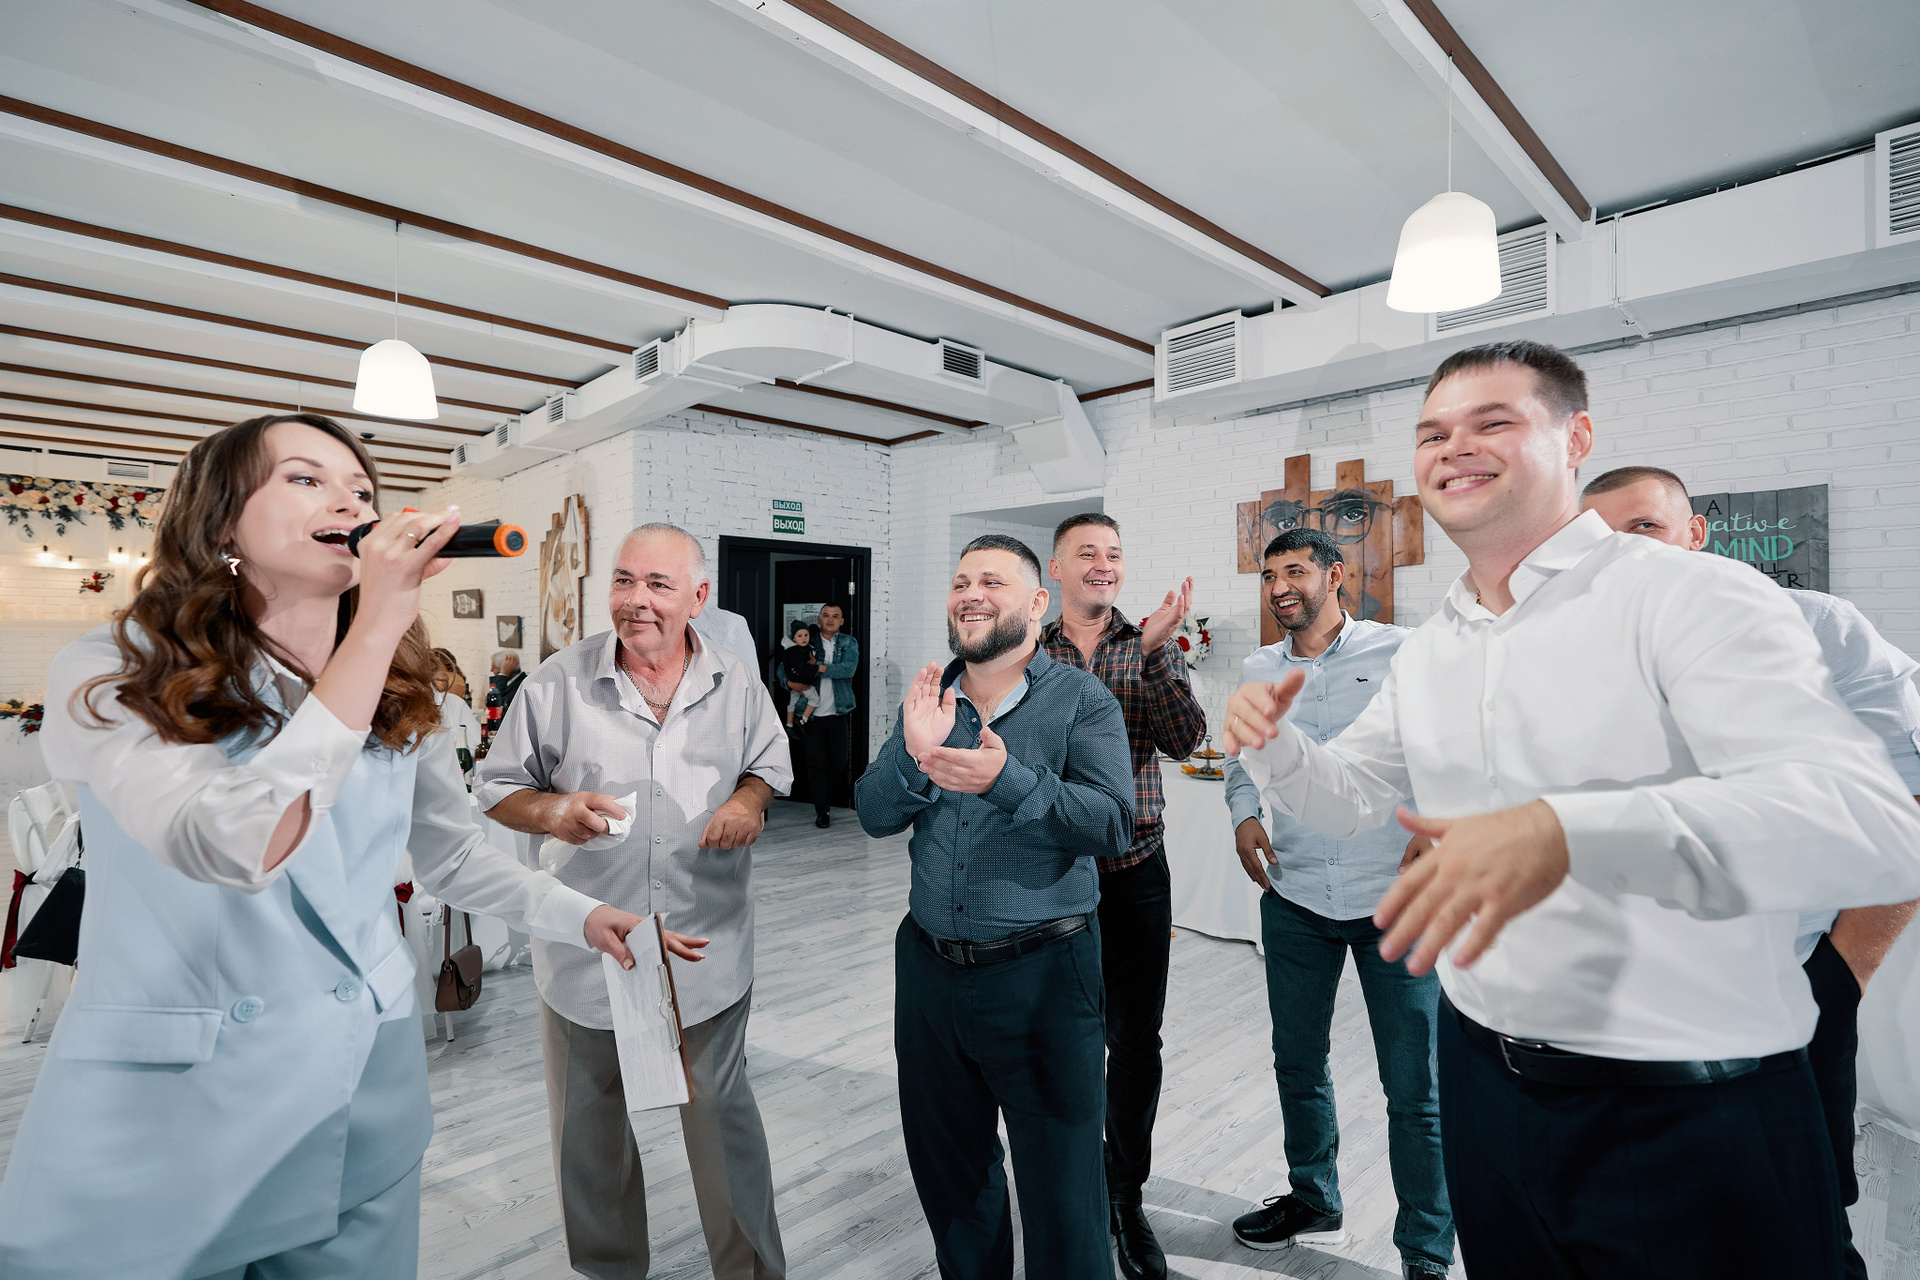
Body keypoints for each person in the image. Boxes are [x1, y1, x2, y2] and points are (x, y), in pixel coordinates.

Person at [1221, 340, 1920, 1280]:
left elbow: (1854, 817)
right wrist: (1274, 746)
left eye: (1492, 421)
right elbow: (1347, 800)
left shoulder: (1694, 595)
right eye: (1432, 433)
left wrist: (1563, 833)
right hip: (1487, 1079)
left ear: (1576, 438)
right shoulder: (1436, 648)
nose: (1454, 447)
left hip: (1687, 1098)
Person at [0, 413, 643, 1279]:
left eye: (362, 490)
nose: (350, 502)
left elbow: (452, 856)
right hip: (170, 1118)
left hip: (358, 1094)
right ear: (222, 523)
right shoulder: (119, 669)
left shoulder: (399, 688)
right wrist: (376, 626)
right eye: (306, 478)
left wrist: (583, 914)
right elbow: (233, 842)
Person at [1582, 463, 1920, 1280]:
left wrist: (1840, 978)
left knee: (1798, 1231)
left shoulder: (1817, 631)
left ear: (1695, 534)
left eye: (1643, 527)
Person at [477, 521, 792, 1280]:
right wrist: (552, 810)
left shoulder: (735, 683)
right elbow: (497, 788)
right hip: (587, 948)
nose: (636, 600)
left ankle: (750, 1273)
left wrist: (747, 802)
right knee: (589, 1133)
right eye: (624, 581)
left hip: (705, 943)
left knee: (721, 1124)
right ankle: (610, 1270)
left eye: (657, 584)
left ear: (698, 597)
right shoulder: (557, 682)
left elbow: (767, 768)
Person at [856, 534, 1134, 1280]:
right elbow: (873, 815)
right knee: (952, 1178)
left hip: (1044, 974)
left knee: (1063, 1195)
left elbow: (1113, 824)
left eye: (991, 582)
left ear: (1038, 603)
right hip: (929, 973)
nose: (970, 594)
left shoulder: (1082, 700)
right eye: (960, 582)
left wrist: (1005, 780)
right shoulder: (930, 697)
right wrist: (915, 754)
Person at [1220, 529, 1452, 1280]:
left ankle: (1425, 1250)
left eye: (1295, 571)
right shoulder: (1259, 668)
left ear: (1336, 575)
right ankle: (1314, 1198)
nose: (1280, 587)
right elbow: (1242, 756)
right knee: (1297, 1063)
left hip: (1393, 900)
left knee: (1415, 1091)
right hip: (1295, 897)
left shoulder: (1402, 651)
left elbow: (1450, 749)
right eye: (1269, 575)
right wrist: (1243, 813)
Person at [1038, 512, 1205, 1280]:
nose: (1103, 565)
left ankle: (1124, 1196)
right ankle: (1069, 1183)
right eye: (1087, 553)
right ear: (1056, 569)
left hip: (1134, 873)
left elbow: (1186, 739)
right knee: (1054, 1039)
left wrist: (1157, 654)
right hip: (1049, 877)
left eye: (1113, 554)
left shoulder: (1148, 644)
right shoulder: (1026, 648)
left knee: (1135, 1043)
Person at [799, 603, 858, 828]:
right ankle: (822, 810)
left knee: (839, 760)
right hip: (810, 715)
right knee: (815, 763)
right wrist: (792, 681)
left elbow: (849, 669)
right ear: (819, 619)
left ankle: (819, 790)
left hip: (838, 712)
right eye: (826, 615)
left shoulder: (849, 642)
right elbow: (787, 669)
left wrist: (817, 668)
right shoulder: (807, 641)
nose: (830, 619)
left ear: (841, 621)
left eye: (835, 616)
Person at [781, 622, 821, 728]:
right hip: (805, 698)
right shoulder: (799, 650)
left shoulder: (802, 649)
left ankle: (790, 724)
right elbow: (782, 670)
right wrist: (789, 683)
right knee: (812, 699)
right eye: (800, 636)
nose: (803, 638)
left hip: (831, 711)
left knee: (792, 702)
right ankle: (800, 721)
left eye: (806, 635)